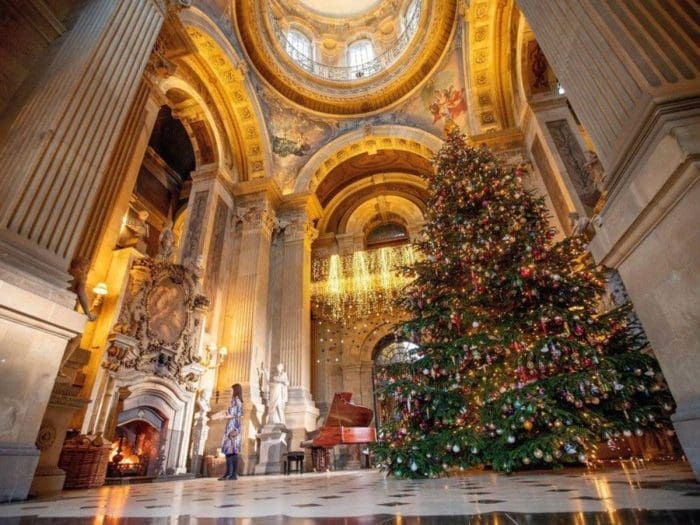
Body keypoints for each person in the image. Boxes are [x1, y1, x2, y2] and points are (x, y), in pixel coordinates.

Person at [217, 383, 243, 480]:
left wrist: (222, 416)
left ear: (235, 390)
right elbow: (230, 413)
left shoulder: (236, 401)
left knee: (232, 451)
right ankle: (229, 473)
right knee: (229, 451)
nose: (230, 391)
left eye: (231, 390)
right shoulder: (235, 401)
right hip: (231, 426)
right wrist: (223, 415)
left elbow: (235, 414)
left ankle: (232, 474)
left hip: (233, 427)